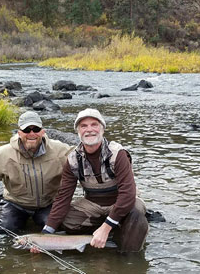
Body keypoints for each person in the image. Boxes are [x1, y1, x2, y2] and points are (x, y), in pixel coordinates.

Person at [38, 108, 149, 253]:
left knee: (136, 215)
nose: (89, 130)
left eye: (94, 125)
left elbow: (128, 194)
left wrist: (105, 227)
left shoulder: (118, 154)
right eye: (84, 126)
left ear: (102, 129)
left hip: (122, 201)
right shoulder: (72, 160)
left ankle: (126, 257)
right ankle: (106, 232)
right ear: (78, 131)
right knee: (64, 220)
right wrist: (45, 235)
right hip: (92, 204)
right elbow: (63, 197)